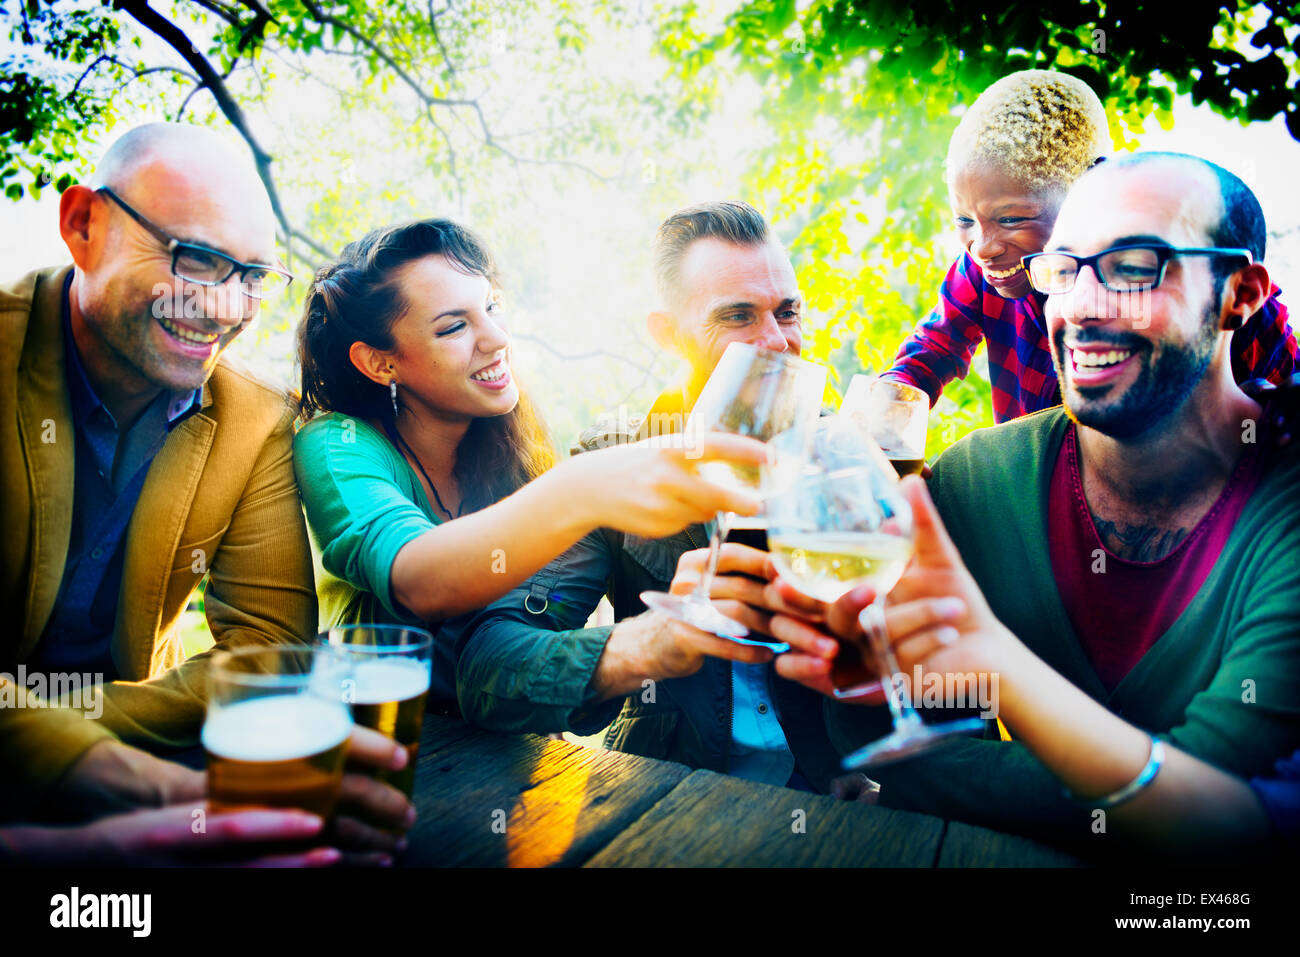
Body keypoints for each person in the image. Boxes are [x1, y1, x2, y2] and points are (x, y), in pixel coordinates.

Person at [765, 152, 1300, 855]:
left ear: (1240, 293)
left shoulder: (1282, 507)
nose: (1081, 306)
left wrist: (967, 718)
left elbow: (1217, 823)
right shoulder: (976, 484)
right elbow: (878, 736)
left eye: (1135, 266)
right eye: (1063, 268)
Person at [454, 201, 850, 795]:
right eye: (738, 316)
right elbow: (489, 666)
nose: (778, 341)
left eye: (787, 312)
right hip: (665, 801)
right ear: (668, 335)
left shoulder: (847, 457)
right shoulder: (609, 462)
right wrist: (652, 645)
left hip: (831, 805)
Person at [292, 218, 770, 702]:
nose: (497, 337)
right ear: (380, 362)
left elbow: (549, 606)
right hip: (379, 733)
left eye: (492, 307)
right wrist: (586, 488)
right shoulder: (340, 443)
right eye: (455, 326)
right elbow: (419, 581)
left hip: (509, 754)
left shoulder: (511, 447)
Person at [879, 69, 1296, 424]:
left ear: (1090, 185)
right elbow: (932, 350)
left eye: (1011, 219)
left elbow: (1281, 384)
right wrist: (882, 420)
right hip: (1041, 491)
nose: (982, 247)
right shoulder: (983, 271)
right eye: (965, 221)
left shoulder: (1191, 282)